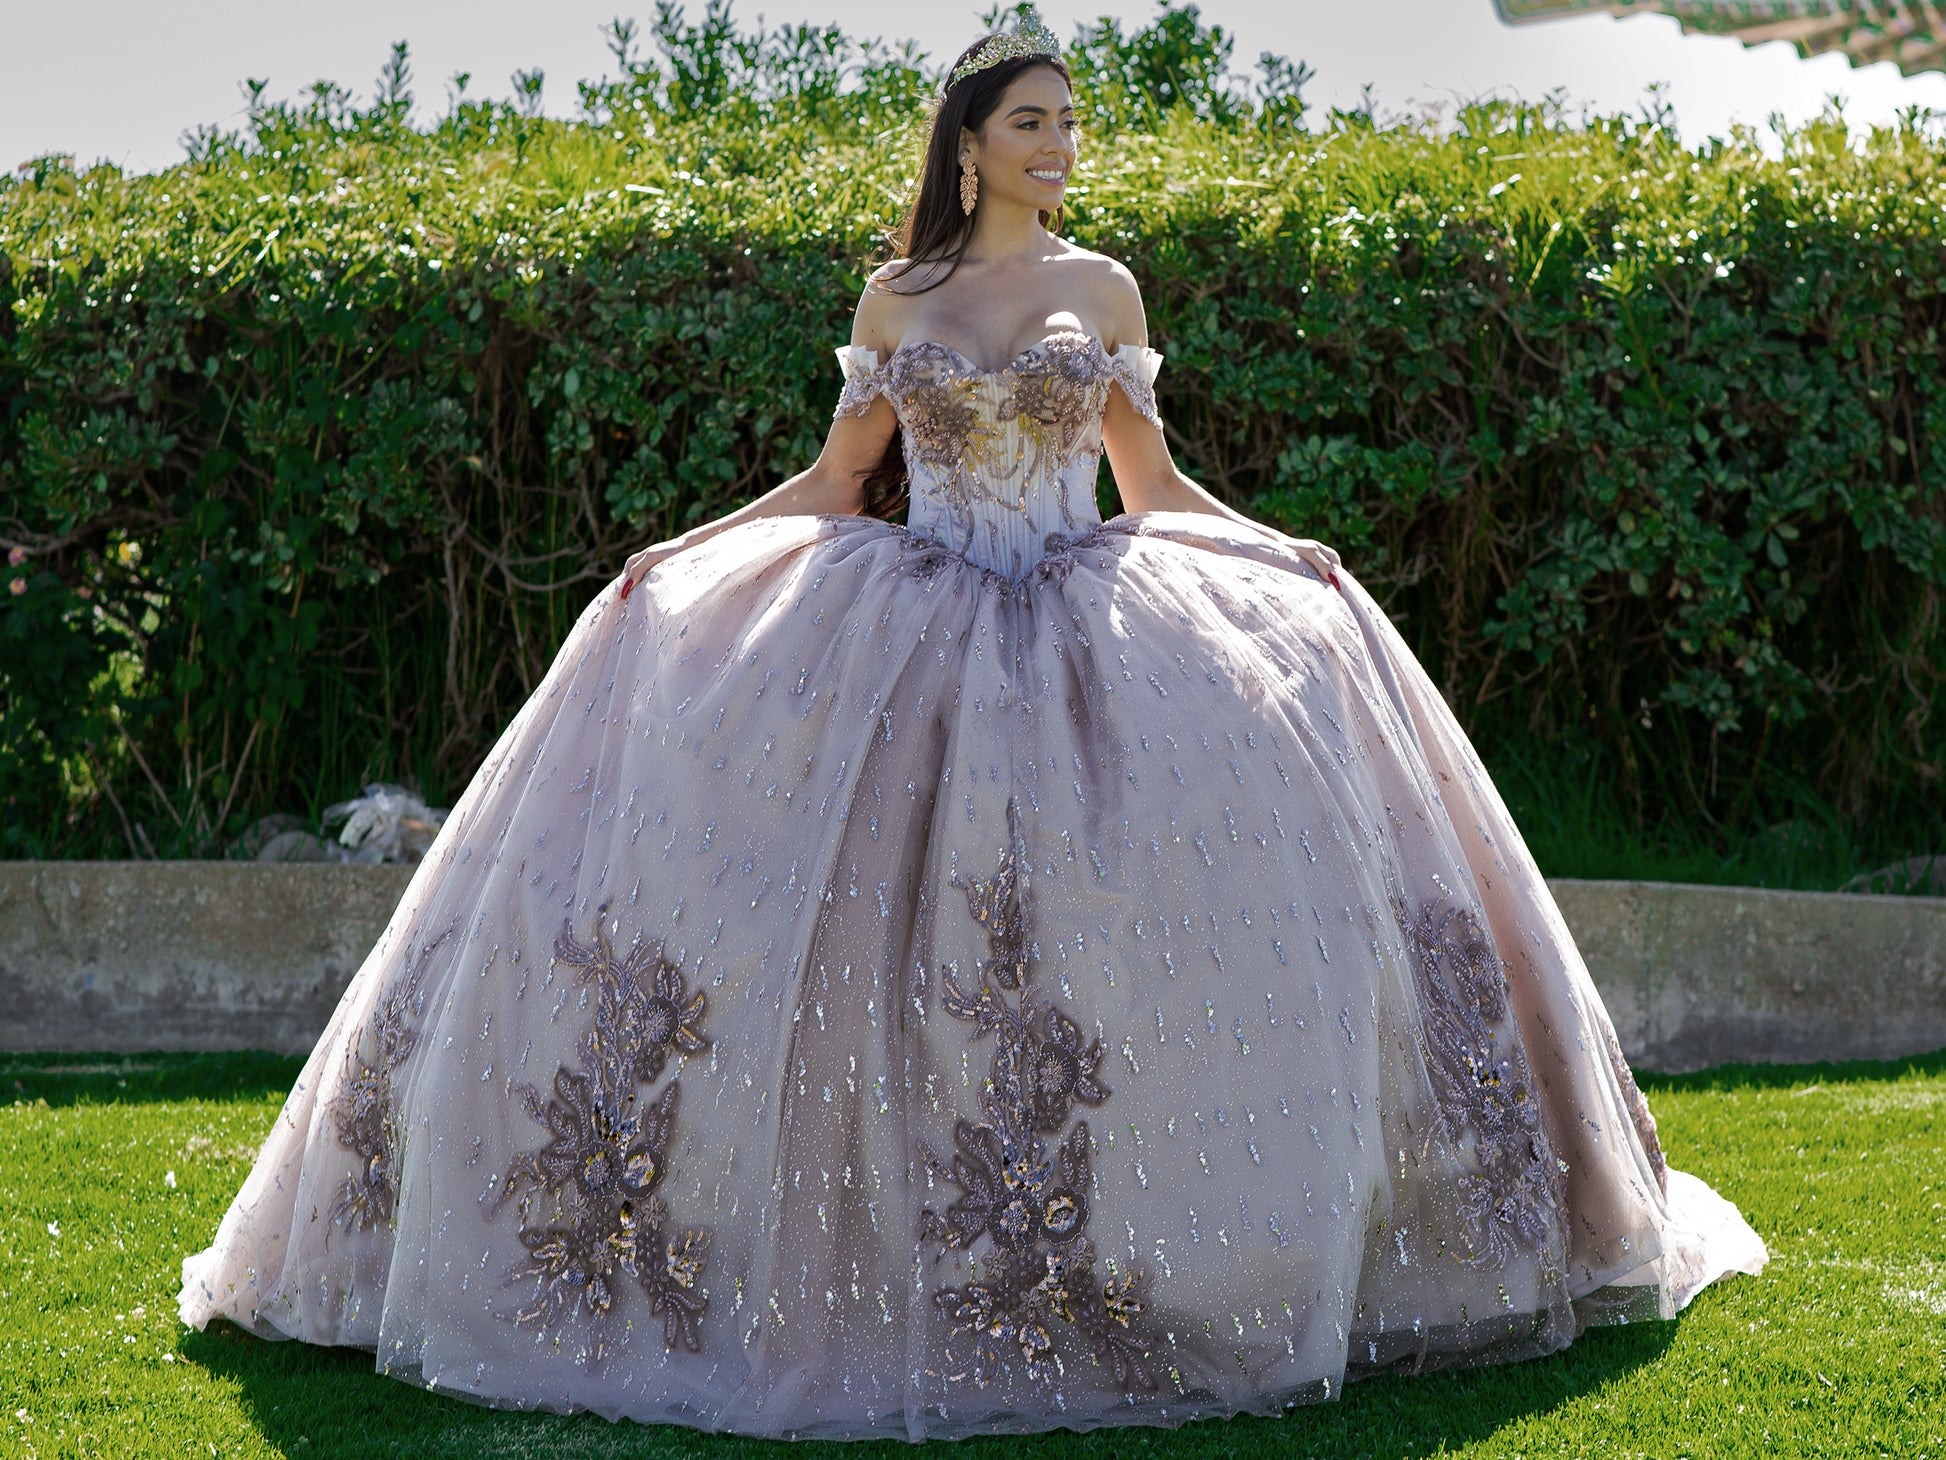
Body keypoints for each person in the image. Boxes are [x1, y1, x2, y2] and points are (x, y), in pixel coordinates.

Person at [180, 8, 1766, 1440]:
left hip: (1090, 614)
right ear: (968, 144)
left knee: (1113, 938)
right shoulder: (900, 291)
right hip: (911, 617)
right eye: (1032, 124)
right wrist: (683, 549)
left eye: (1072, 124)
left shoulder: (1104, 287)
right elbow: (833, 479)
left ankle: (1181, 1249)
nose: (1060, 147)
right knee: (858, 954)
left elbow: (1147, 489)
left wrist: (1279, 553)